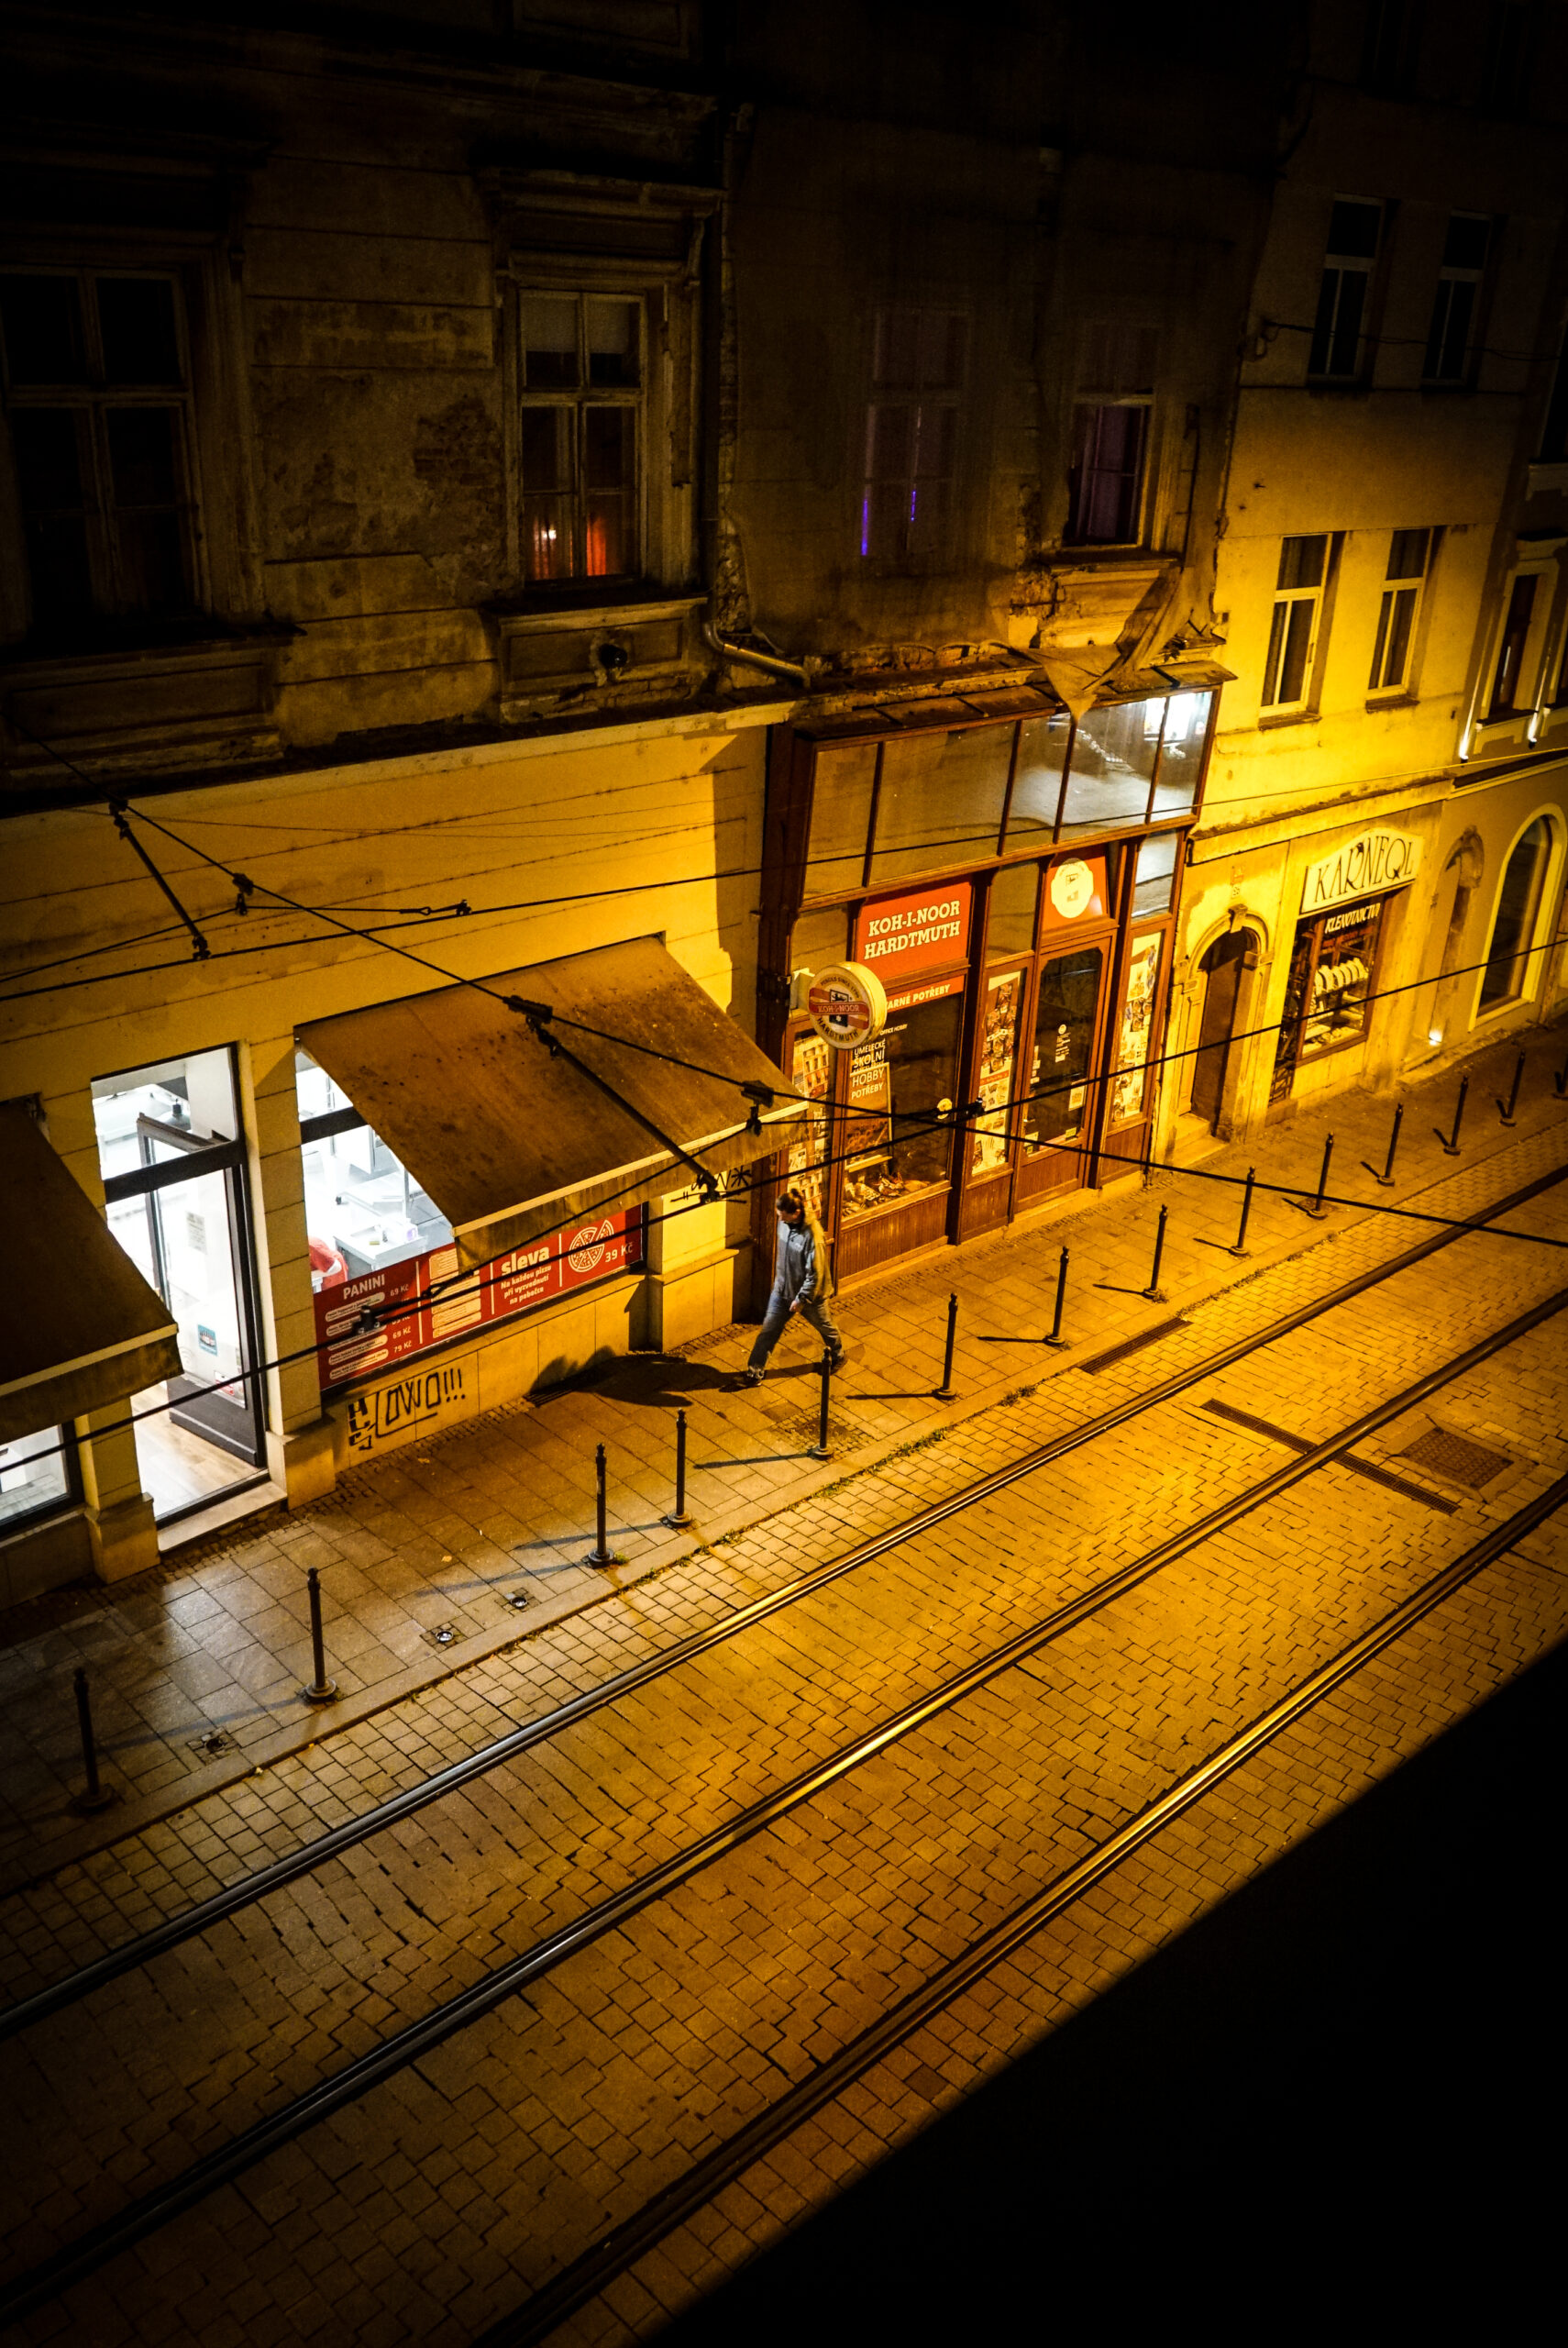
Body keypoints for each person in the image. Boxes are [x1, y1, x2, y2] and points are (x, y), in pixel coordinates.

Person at [741, 1185, 849, 1385]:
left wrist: (802, 1299)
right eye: (779, 1215)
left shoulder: (813, 1236)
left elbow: (815, 1273)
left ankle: (838, 1354)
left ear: (796, 1213)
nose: (779, 1220)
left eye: (783, 1216)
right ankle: (754, 1372)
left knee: (825, 1326)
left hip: (810, 1296)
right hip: (783, 1289)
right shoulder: (785, 1224)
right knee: (769, 1331)